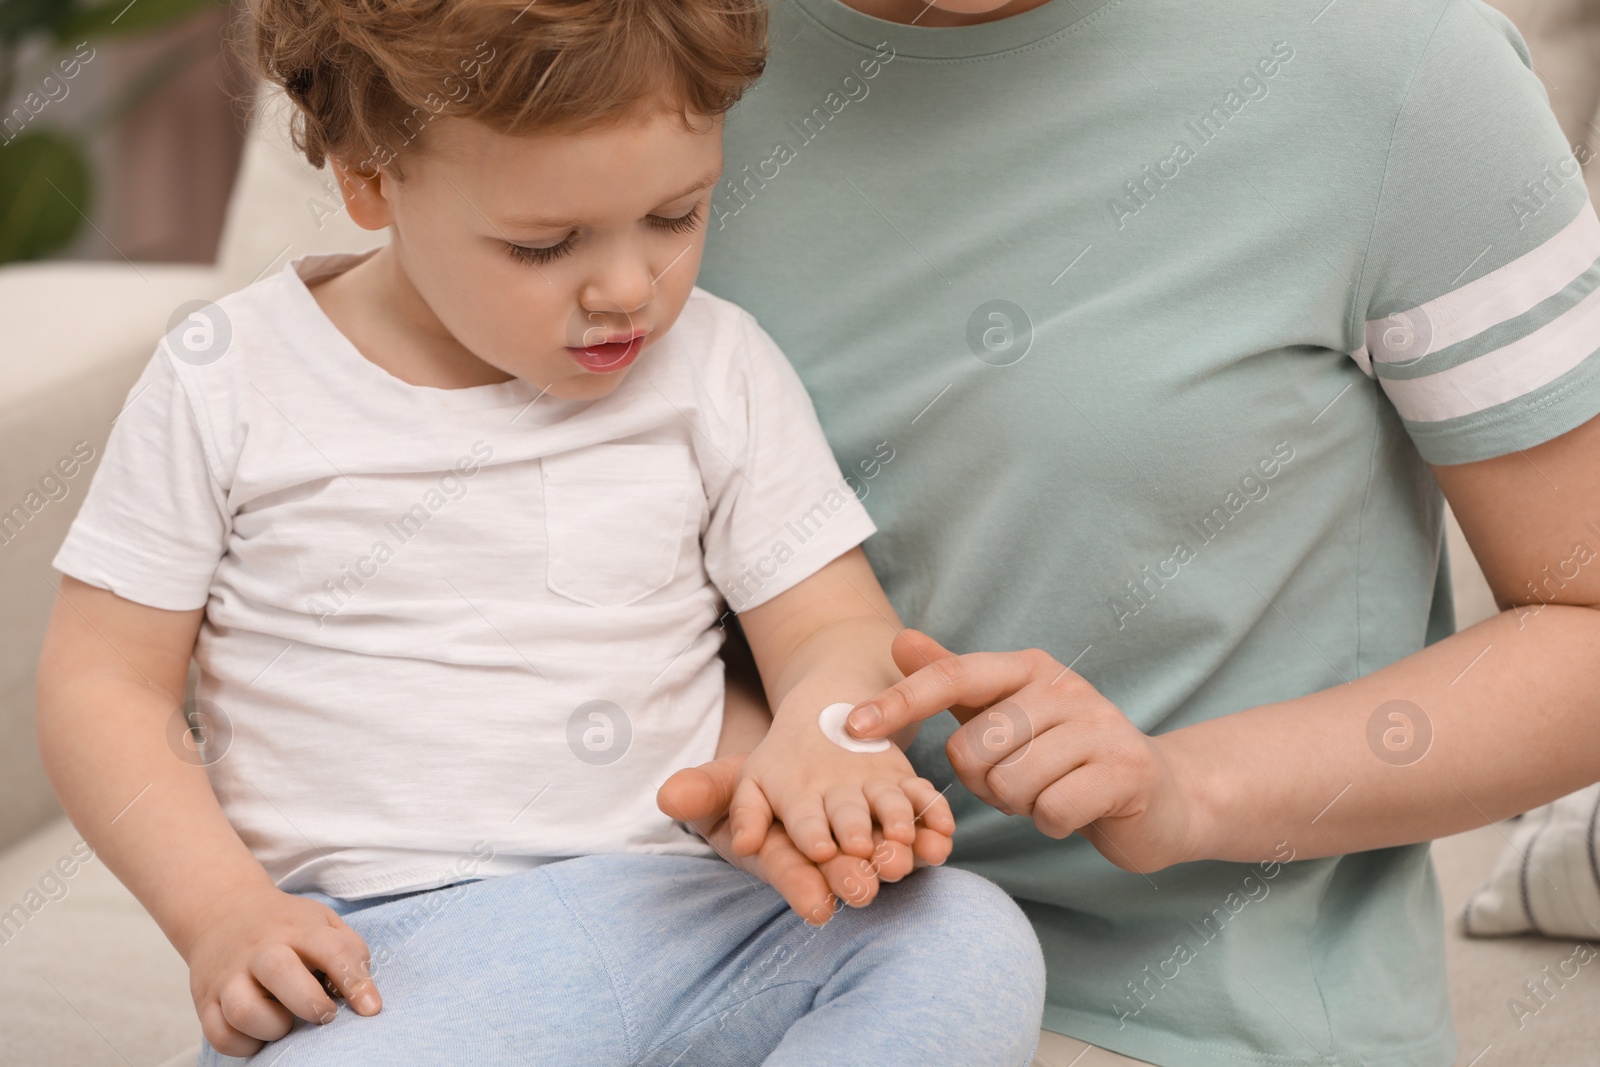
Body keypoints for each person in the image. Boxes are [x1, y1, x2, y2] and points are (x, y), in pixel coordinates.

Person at [32, 2, 1047, 1064]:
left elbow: (832, 620)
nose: (626, 290)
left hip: (703, 913)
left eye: (676, 216)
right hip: (392, 965)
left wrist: (827, 733)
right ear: (369, 177)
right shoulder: (227, 376)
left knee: (964, 931)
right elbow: (105, 683)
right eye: (544, 243)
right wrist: (220, 913)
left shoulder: (717, 366)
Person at [670, 0, 1600, 1063]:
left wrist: (1187, 787)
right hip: (709, 948)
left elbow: (1583, 615)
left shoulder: (1395, 61)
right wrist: (755, 743)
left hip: (1166, 1023)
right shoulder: (647, 38)